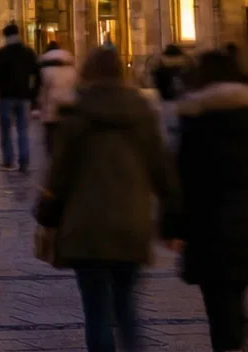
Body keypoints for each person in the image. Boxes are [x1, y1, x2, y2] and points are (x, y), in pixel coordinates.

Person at [39, 47, 179, 352]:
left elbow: (59, 176)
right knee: (125, 305)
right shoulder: (142, 112)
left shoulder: (75, 114)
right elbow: (162, 172)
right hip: (131, 224)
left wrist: (46, 217)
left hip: (85, 226)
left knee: (96, 312)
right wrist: (172, 221)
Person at [174, 49, 248, 351]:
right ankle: (237, 332)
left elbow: (181, 179)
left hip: (206, 230)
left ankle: (231, 338)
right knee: (235, 294)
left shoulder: (194, 121)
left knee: (218, 307)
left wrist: (174, 227)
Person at [0, 22, 41, 171]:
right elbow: (37, 74)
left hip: (6, 96)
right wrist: (33, 93)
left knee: (6, 130)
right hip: (23, 96)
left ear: (6, 36)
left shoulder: (3, 53)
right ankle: (24, 161)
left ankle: (8, 160)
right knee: (22, 130)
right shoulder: (27, 52)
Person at [38, 42, 78, 157]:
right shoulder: (72, 69)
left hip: (51, 108)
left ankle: (52, 156)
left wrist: (39, 107)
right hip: (68, 107)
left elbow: (43, 91)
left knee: (50, 135)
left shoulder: (45, 70)